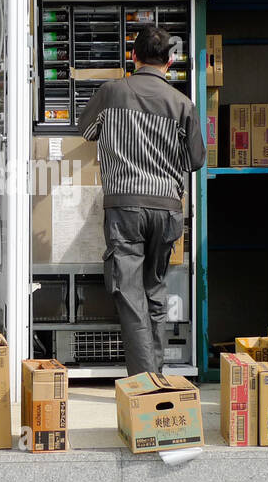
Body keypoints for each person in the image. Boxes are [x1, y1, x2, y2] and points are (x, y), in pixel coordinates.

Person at [76, 25, 206, 376]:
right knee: (154, 292)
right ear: (170, 61)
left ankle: (144, 383)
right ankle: (155, 377)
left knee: (130, 295)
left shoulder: (111, 92)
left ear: (132, 56)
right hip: (166, 209)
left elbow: (85, 130)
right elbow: (195, 160)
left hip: (125, 207)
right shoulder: (183, 104)